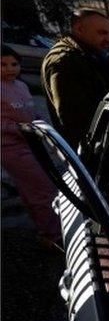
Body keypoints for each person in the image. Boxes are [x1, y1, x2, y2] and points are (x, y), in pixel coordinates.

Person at [1, 45, 60, 244]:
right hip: (12, 149)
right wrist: (20, 128)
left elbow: (31, 112)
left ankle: (46, 232)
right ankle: (53, 235)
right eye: (2, 64)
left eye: (14, 64)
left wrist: (41, 124)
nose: (9, 68)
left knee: (34, 190)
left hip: (32, 144)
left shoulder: (21, 85)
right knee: (42, 190)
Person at [41, 9, 109, 148]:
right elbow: (75, 120)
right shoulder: (65, 60)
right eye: (102, 33)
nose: (108, 39)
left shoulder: (88, 54)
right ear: (79, 29)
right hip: (93, 149)